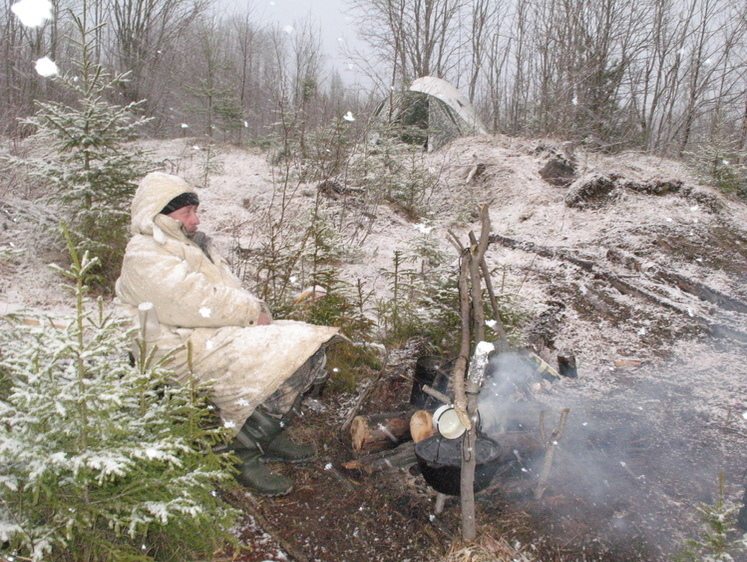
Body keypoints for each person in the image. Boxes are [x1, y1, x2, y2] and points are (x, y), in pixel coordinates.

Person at [115, 171, 340, 496]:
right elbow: (190, 301)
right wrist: (251, 314)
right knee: (291, 352)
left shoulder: (190, 246)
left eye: (195, 210)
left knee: (309, 345)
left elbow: (221, 293)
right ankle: (238, 452)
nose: (195, 219)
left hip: (205, 332)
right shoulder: (144, 253)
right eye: (186, 212)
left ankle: (266, 431)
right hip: (172, 344)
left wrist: (255, 315)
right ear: (159, 215)